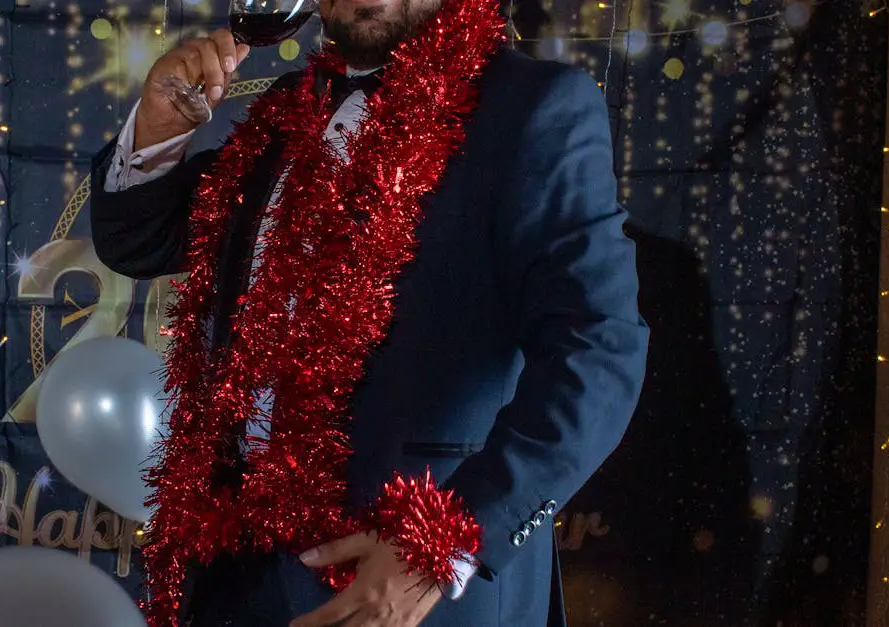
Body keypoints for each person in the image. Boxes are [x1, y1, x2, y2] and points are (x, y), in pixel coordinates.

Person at [90, 0, 649, 625]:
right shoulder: (285, 110)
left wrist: (446, 542)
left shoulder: (534, 105)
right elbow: (140, 242)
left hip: (402, 580)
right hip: (232, 570)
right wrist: (158, 131)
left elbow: (599, 350)